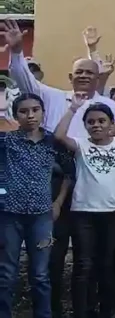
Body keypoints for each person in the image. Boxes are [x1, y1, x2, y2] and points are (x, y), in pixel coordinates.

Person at [54, 98, 115, 318]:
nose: (96, 125)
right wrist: (72, 109)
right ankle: (82, 311)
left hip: (112, 213)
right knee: (83, 264)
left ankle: (106, 310)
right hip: (83, 213)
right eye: (91, 122)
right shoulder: (81, 144)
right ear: (86, 126)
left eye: (102, 121)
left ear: (111, 124)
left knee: (107, 263)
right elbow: (59, 136)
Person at [0, 93, 75, 318]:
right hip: (9, 216)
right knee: (6, 273)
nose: (30, 115)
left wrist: (59, 202)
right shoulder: (6, 142)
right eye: (24, 111)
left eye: (35, 110)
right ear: (16, 116)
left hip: (42, 218)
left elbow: (69, 174)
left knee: (41, 273)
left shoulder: (53, 143)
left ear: (43, 113)